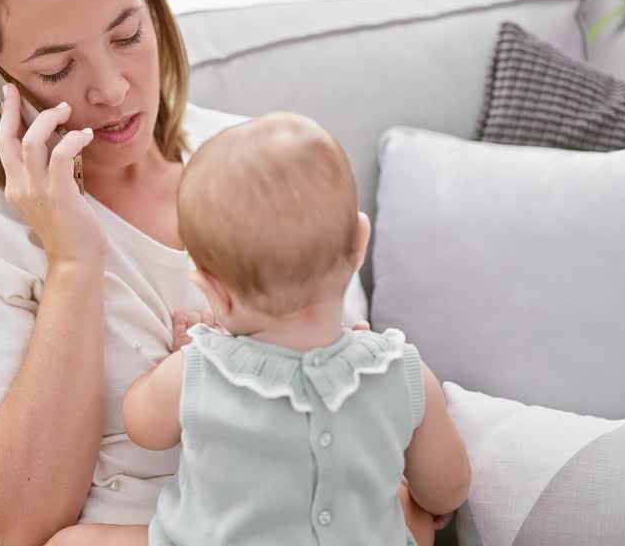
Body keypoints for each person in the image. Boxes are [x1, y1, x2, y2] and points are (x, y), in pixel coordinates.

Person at [0, 0, 432, 546]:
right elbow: (23, 521)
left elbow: (364, 419)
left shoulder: (258, 163)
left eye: (127, 35)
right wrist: (72, 261)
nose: (115, 90)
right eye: (58, 69)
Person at [41, 113, 471, 546]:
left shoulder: (196, 370)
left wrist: (180, 356)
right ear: (360, 245)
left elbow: (142, 425)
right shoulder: (403, 372)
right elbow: (449, 489)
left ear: (212, 290)